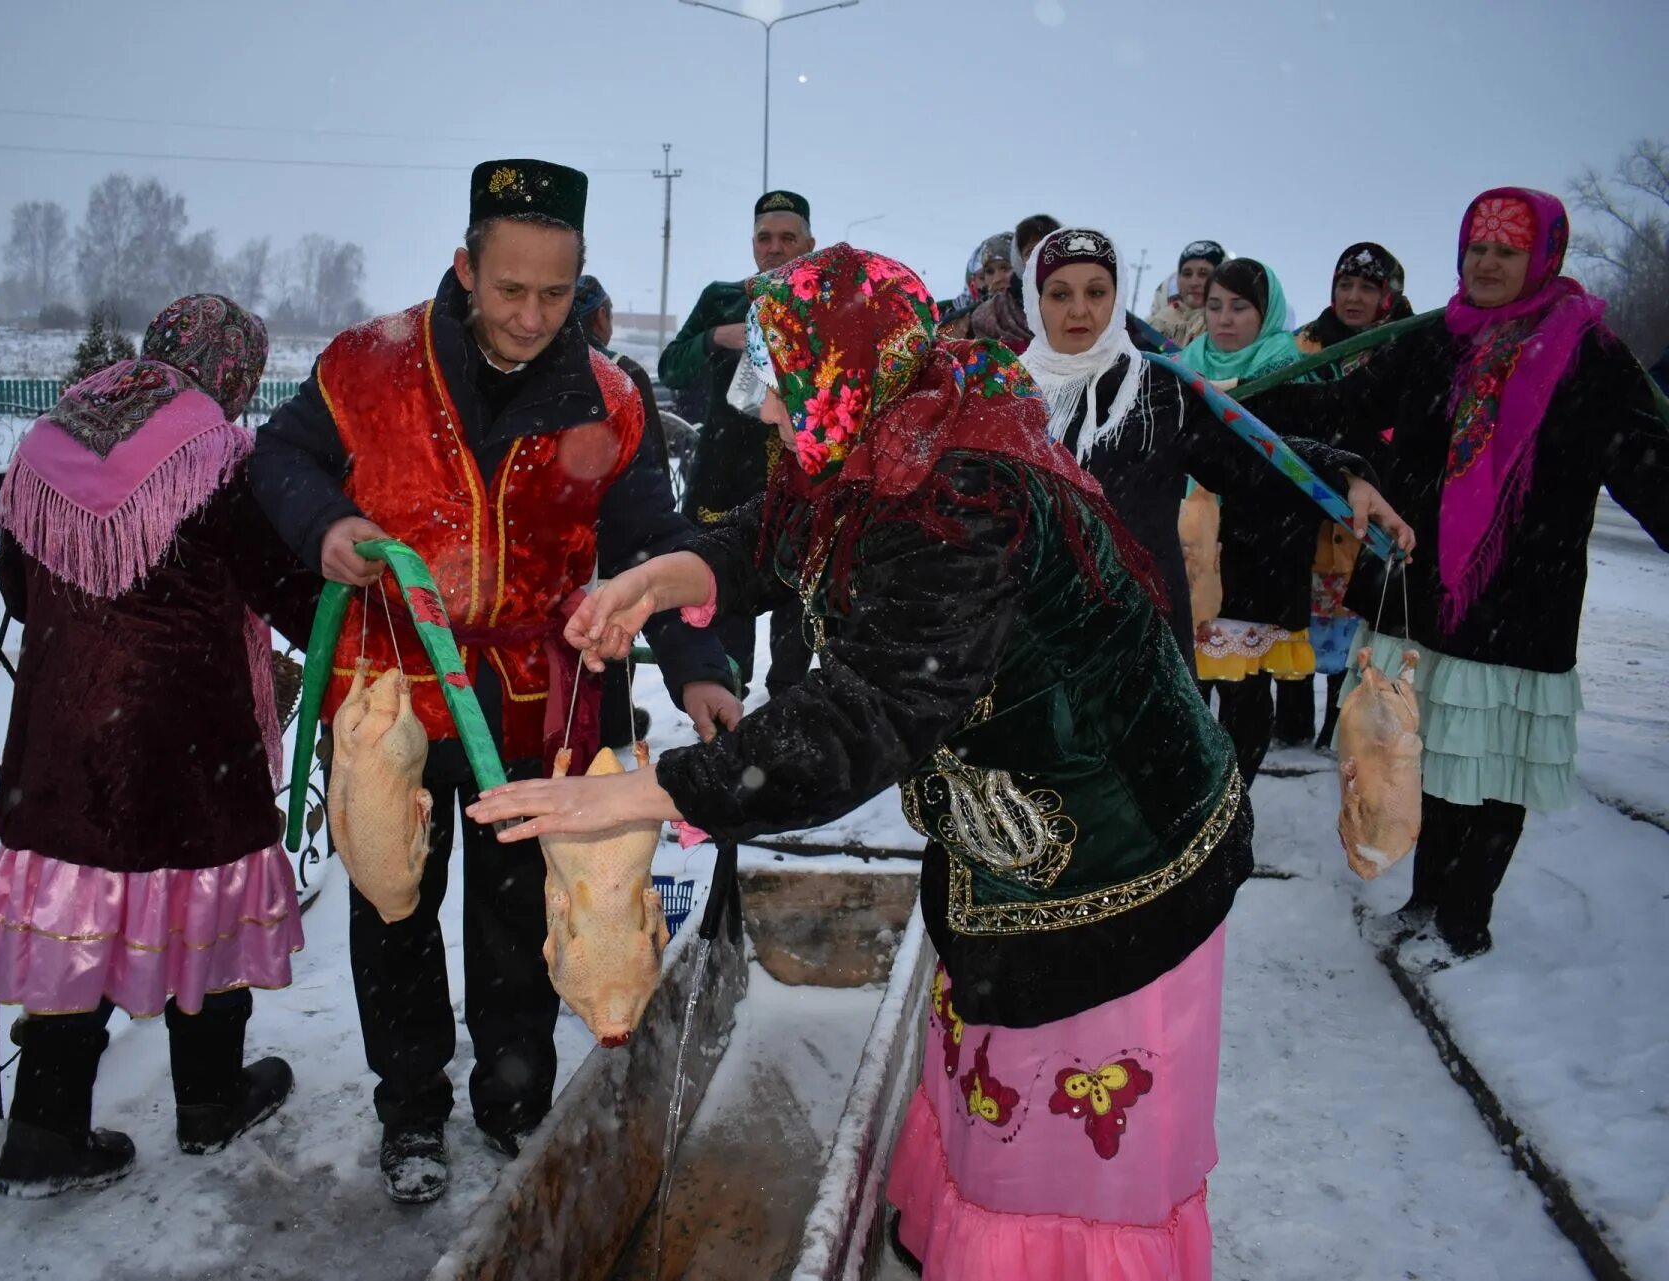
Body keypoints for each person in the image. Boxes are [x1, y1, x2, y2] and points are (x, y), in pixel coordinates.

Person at [469, 244, 1258, 1277]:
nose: (767, 412)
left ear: (846, 371)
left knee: (1067, 1108)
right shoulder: (891, 425)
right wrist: (670, 573)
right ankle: (977, 1229)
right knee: (994, 1068)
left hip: (1117, 844)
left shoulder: (962, 495)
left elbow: (864, 713)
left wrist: (656, 792)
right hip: (1018, 824)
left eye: (780, 384)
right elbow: (781, 527)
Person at [248, 159, 740, 1203]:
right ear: (466, 267)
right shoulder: (368, 365)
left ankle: (515, 1101)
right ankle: (410, 1109)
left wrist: (699, 668)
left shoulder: (612, 398)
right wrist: (326, 522)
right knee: (392, 906)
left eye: (555, 293)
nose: (530, 315)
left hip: (536, 697)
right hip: (393, 686)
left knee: (524, 910)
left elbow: (654, 545)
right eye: (510, 288)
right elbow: (277, 460)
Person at [0, 294, 318, 1197]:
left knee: (78, 910)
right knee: (206, 894)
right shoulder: (219, 456)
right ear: (233, 371)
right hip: (189, 738)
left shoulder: (47, 444)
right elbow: (284, 587)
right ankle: (209, 1099)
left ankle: (44, 1130)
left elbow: (17, 588)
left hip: (65, 740)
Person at [1252, 187, 1669, 965]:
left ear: (1544, 258)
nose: (1486, 264)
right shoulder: (1435, 339)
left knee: (1496, 766)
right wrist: (1232, 406)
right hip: (1425, 589)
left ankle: (1465, 922)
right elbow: (1345, 404)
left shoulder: (1589, 354)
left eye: (1507, 251)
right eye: (1477, 248)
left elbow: (1647, 466)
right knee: (1433, 758)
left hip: (1524, 602)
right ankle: (1425, 901)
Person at [1019, 227, 1403, 669]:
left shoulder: (1157, 389)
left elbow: (1252, 456)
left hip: (1137, 638)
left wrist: (1345, 478)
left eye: (1096, 292)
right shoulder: (1001, 393)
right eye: (1059, 294)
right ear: (1036, 301)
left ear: (1116, 297)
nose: (1079, 309)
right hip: (1027, 638)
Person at [659, 190, 819, 696]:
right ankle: (725, 707)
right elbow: (670, 367)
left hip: (801, 479)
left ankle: (791, 709)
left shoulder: (824, 303)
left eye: (787, 237)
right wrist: (715, 338)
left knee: (799, 604)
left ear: (809, 244)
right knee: (722, 595)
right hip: (723, 479)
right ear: (752, 243)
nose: (775, 248)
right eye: (764, 237)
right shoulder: (722, 298)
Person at [1178, 258, 1321, 786]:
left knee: (1243, 694)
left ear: (1267, 312)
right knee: (1185, 688)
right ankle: (1189, 796)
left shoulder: (1289, 373)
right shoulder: (1184, 368)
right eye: (1215, 306)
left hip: (1259, 557)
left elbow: (1302, 463)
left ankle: (1233, 797)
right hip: (1190, 553)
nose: (1225, 319)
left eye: (1240, 307)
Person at [1287, 242, 1413, 748]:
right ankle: (1292, 722)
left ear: (1388, 296)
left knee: (1354, 613)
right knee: (1299, 608)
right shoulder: (1305, 344)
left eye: (1367, 287)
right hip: (1308, 492)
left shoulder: (1403, 348)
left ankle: (1340, 725)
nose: (1353, 297)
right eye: (1345, 284)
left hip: (1376, 499)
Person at [574, 273, 659, 747]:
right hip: (615, 535)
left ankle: (579, 725)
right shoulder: (622, 374)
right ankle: (613, 724)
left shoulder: (541, 369)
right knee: (612, 634)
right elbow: (652, 465)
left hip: (564, 539)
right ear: (602, 317)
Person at [970, 213, 1060, 353]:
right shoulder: (983, 317)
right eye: (989, 271)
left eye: (1005, 268)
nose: (997, 279)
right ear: (1019, 261)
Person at [1147, 239, 1226, 347]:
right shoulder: (1157, 323)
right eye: (1187, 274)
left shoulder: (1230, 324)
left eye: (1203, 274)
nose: (1194, 283)